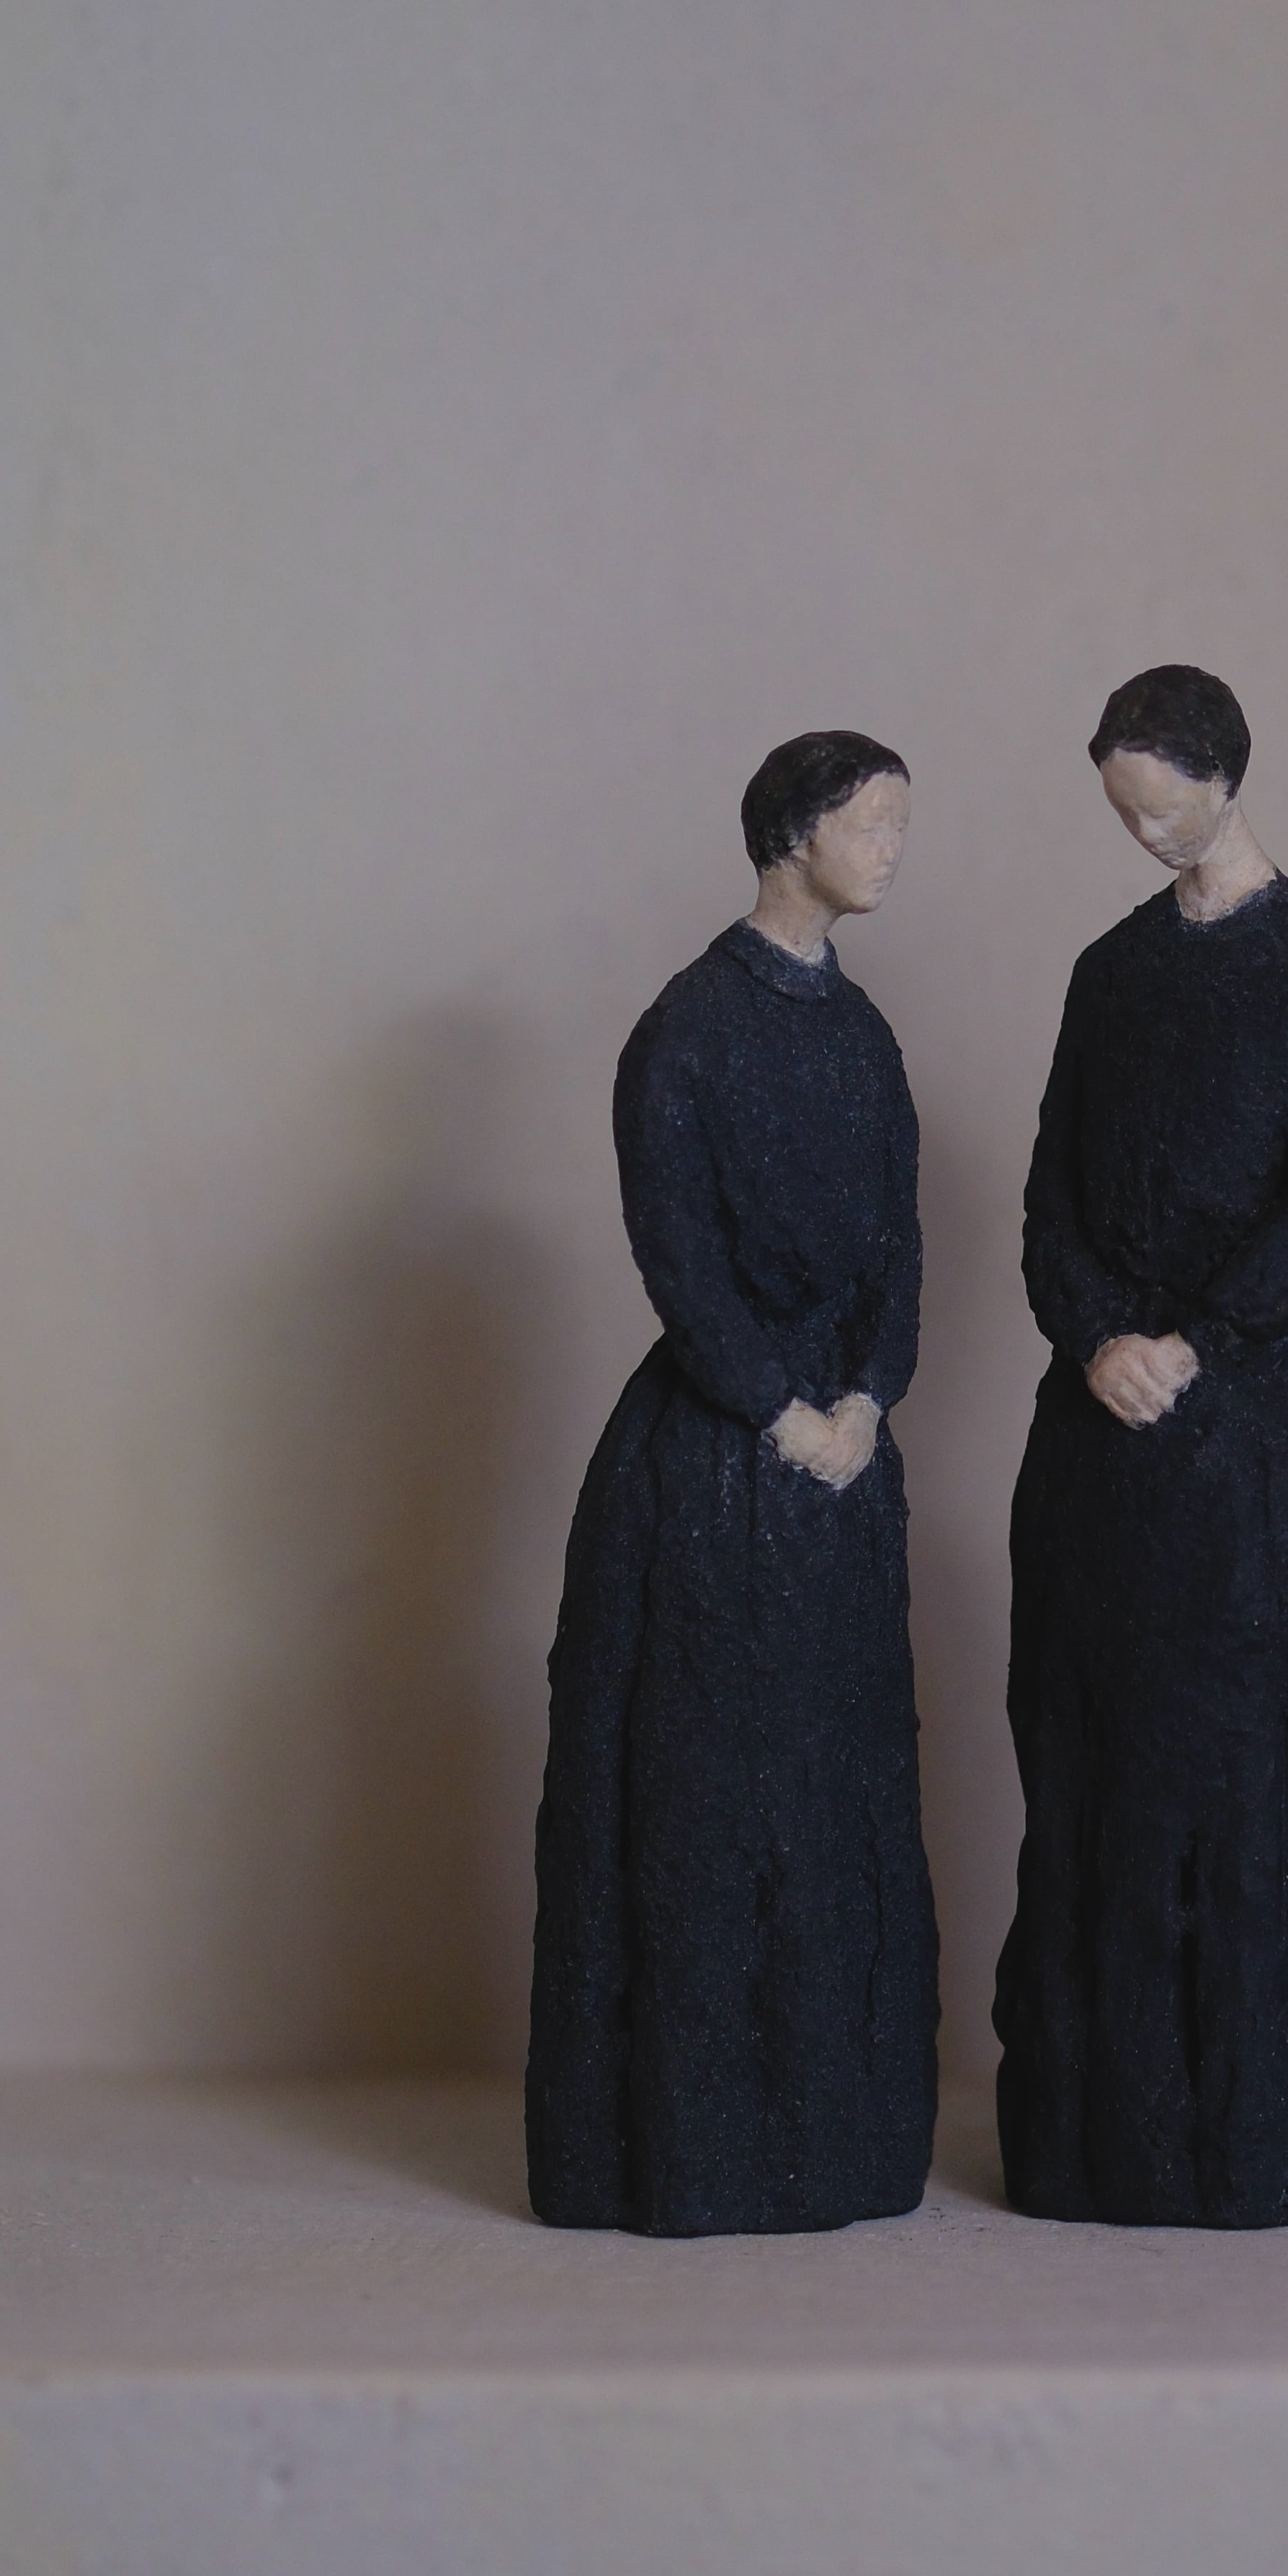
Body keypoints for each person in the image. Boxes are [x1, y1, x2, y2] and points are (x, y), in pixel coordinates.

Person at [993, 664, 1288, 2226]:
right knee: (1101, 1759)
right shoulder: (1109, 972)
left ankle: (1277, 2130)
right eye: (1119, 810)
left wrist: (1198, 1340)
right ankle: (1109, 2136)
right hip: (1103, 1430)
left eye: (1159, 805)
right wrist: (1095, 1338)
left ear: (1225, 776)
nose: (1140, 832)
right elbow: (1049, 1190)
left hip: (1267, 1428)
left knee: (1268, 1768)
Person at [527, 731, 938, 2234]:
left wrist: (867, 1397)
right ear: (792, 833)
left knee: (833, 1793)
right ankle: (692, 2152)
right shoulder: (685, 1033)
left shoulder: (867, 1039)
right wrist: (780, 1411)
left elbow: (899, 1248)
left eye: (899, 825)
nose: (891, 850)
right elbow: (680, 1262)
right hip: (712, 1474)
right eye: (871, 823)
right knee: (710, 1790)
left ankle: (837, 2142)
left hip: (843, 1472)